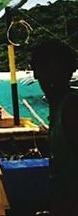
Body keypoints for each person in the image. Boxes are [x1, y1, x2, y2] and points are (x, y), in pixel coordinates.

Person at [31, 41, 78, 214]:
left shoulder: (72, 107)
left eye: (57, 70)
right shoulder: (58, 106)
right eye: (45, 69)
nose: (50, 77)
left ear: (69, 71)